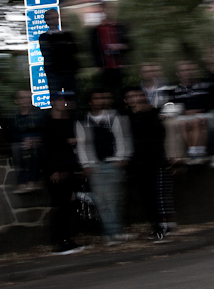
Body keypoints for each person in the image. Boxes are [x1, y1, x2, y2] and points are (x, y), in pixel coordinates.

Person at [75, 88, 133, 244]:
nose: (100, 101)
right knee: (102, 202)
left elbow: (122, 137)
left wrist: (120, 158)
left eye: (102, 98)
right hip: (95, 166)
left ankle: (114, 231)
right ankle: (111, 232)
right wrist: (86, 164)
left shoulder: (114, 118)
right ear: (90, 102)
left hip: (112, 163)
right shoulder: (83, 121)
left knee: (114, 200)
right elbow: (82, 145)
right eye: (96, 98)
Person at [124, 86, 175, 241]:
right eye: (132, 96)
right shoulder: (127, 117)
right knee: (146, 197)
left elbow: (159, 136)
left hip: (155, 160)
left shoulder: (153, 114)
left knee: (157, 194)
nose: (137, 99)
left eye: (139, 95)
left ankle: (163, 226)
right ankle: (155, 226)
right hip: (138, 163)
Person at [41, 91, 83, 255]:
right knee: (59, 205)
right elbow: (46, 149)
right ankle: (58, 241)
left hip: (68, 167)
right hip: (56, 169)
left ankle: (66, 239)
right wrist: (52, 170)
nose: (63, 103)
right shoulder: (47, 123)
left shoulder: (70, 121)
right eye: (59, 100)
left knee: (66, 205)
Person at [38, 8, 80, 101]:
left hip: (68, 71)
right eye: (51, 18)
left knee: (71, 97)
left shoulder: (67, 35)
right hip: (54, 72)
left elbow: (73, 50)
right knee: (56, 98)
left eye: (56, 18)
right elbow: (48, 53)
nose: (54, 20)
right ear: (46, 21)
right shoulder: (44, 37)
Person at [8, 90, 45, 195]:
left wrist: (35, 139)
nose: (26, 100)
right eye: (22, 98)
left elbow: (45, 129)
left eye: (28, 97)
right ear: (17, 101)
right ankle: (21, 182)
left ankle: (33, 181)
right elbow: (11, 133)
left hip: (37, 140)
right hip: (21, 141)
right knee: (16, 149)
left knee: (36, 149)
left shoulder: (39, 113)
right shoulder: (13, 115)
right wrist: (23, 140)